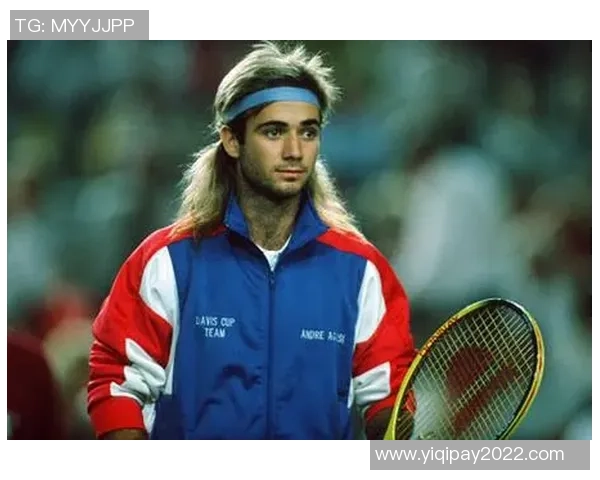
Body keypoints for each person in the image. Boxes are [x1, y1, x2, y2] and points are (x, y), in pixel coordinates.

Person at [86, 41, 416, 440]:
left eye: (308, 132)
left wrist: (394, 431)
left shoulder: (361, 270)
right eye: (274, 132)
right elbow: (116, 383)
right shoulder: (168, 261)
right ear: (232, 140)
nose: (294, 151)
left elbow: (389, 398)